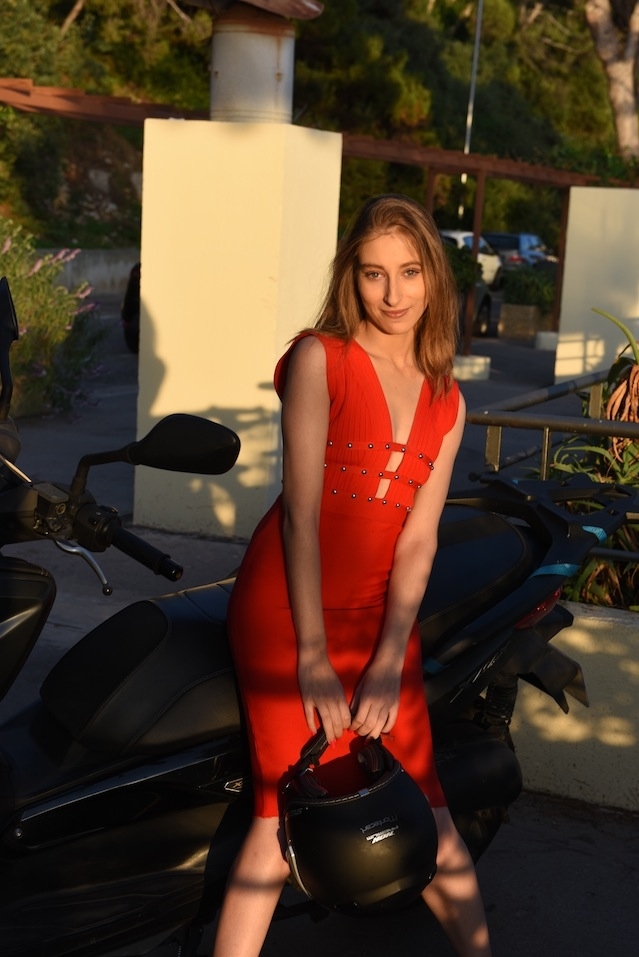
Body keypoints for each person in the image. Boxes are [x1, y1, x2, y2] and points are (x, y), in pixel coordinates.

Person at [214, 194, 492, 957]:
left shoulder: (447, 399)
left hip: (378, 614)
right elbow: (300, 516)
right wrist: (312, 656)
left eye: (409, 272)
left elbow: (418, 540)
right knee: (278, 822)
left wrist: (389, 656)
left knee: (428, 809)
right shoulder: (320, 359)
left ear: (434, 276)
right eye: (373, 273)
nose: (392, 293)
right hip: (286, 610)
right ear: (351, 277)